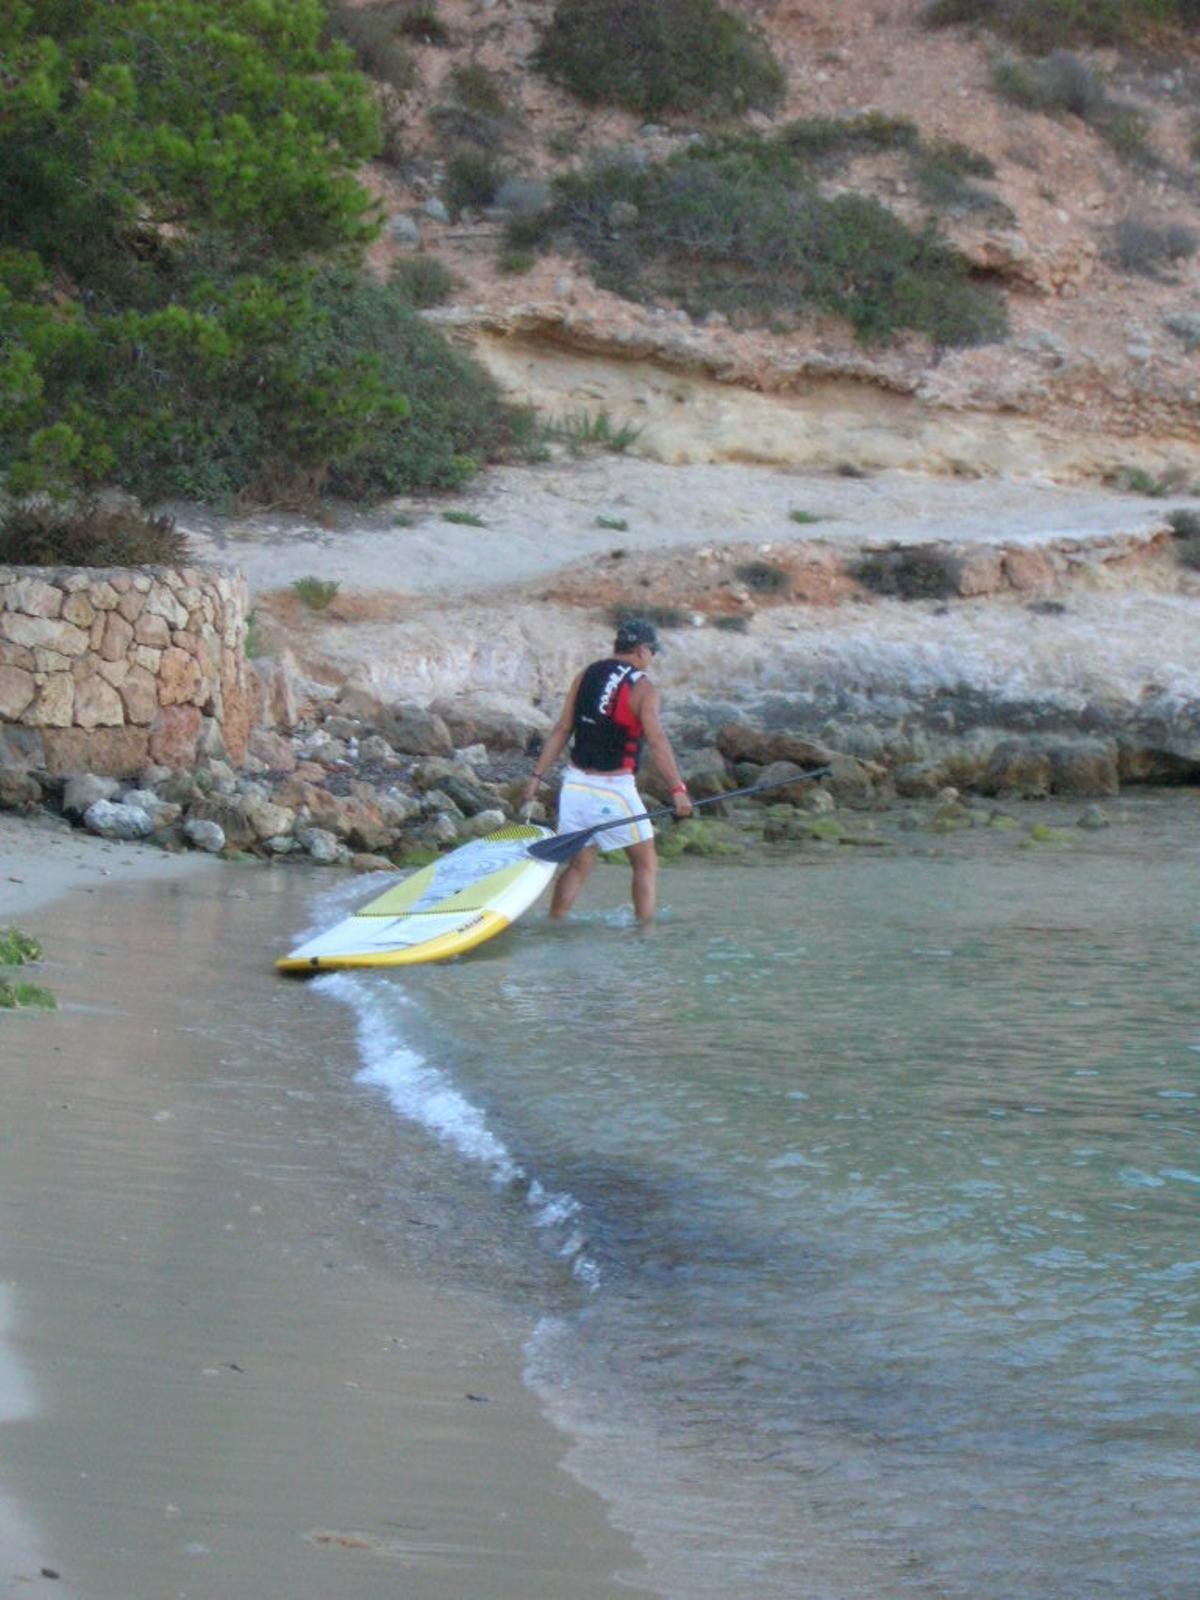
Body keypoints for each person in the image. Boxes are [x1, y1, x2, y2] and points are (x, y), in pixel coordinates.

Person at [521, 618, 693, 924]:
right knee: (645, 862)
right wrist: (678, 790)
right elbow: (656, 740)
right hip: (613, 790)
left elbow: (563, 728)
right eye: (652, 653)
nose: (651, 660)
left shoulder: (586, 675)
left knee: (580, 864)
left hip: (574, 785)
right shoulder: (643, 687)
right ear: (642, 650)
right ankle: (645, 931)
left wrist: (536, 776)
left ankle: (555, 922)